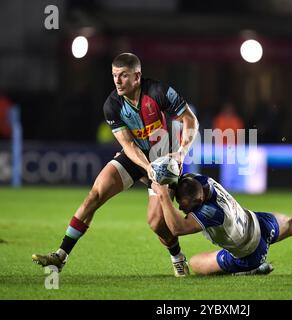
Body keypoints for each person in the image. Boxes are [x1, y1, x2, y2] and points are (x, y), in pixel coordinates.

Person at [32, 53, 199, 277]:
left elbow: (190, 119)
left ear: (137, 76)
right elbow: (128, 145)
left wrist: (180, 153)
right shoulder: (112, 105)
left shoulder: (158, 92)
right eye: (114, 76)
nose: (117, 81)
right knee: (95, 195)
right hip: (135, 157)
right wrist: (145, 167)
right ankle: (61, 255)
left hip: (162, 161)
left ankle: (177, 257)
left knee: (156, 223)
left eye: (123, 76)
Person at [152, 173, 292, 275]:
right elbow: (181, 178)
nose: (181, 208)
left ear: (199, 200)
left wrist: (162, 194)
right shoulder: (202, 181)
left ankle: (250, 270)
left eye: (183, 205)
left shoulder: (209, 211)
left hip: (249, 252)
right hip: (260, 223)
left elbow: (176, 229)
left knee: (196, 263)